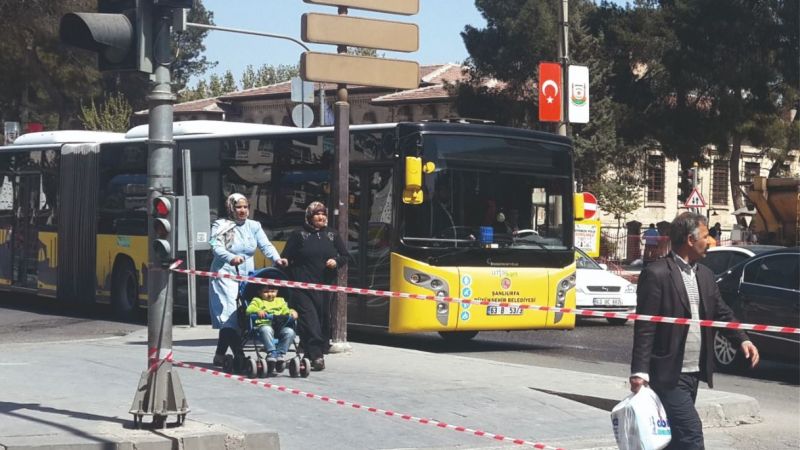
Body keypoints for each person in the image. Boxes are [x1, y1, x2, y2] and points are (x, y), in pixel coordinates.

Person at [630, 212, 759, 449]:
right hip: (668, 373)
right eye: (706, 235)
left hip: (694, 372)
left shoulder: (705, 275)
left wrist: (742, 338)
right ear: (690, 239)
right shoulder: (657, 273)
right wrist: (639, 372)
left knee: (674, 440)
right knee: (692, 435)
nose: (711, 241)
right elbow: (645, 326)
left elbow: (722, 312)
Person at [209, 193, 288, 372]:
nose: (243, 210)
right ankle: (239, 356)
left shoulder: (254, 226)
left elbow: (265, 245)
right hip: (225, 274)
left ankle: (220, 354)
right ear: (231, 208)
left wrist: (277, 259)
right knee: (229, 315)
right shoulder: (220, 225)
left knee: (240, 315)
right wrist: (230, 258)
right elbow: (215, 245)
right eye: (238, 207)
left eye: (245, 207)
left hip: (247, 276)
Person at [281, 201, 348, 371]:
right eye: (317, 214)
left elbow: (345, 255)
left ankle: (309, 356)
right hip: (302, 288)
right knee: (310, 321)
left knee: (322, 320)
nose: (321, 217)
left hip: (325, 287)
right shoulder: (299, 235)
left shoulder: (332, 234)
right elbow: (286, 258)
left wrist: (336, 261)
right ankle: (317, 356)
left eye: (324, 214)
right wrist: (285, 265)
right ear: (309, 217)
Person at [245, 285, 298, 373]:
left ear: (277, 292)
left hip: (279, 327)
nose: (270, 294)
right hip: (263, 326)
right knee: (266, 329)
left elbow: (286, 310)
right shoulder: (257, 300)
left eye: (273, 292)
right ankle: (271, 352)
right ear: (260, 292)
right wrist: (257, 310)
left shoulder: (280, 300)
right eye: (266, 292)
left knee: (290, 332)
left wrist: (291, 312)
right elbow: (249, 310)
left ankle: (280, 353)